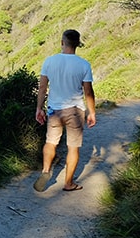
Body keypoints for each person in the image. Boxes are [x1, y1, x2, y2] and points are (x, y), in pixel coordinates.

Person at [33, 29, 96, 192]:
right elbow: (88, 91)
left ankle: (46, 171)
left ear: (62, 42)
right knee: (73, 147)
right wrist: (92, 112)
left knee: (50, 142)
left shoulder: (49, 61)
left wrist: (39, 108)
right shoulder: (84, 64)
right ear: (77, 45)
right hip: (75, 111)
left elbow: (42, 87)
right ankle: (68, 183)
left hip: (55, 110)